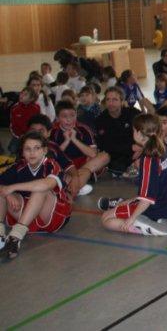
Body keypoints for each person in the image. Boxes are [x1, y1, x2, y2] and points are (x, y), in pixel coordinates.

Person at [99, 114, 167, 237]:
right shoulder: (165, 149)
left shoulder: (149, 159)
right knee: (125, 203)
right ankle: (159, 218)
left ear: (138, 133)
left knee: (106, 219)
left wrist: (132, 219)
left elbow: (147, 199)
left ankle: (150, 226)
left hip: (157, 208)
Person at [0, 131, 72, 260]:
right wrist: (8, 193)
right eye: (27, 149)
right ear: (22, 152)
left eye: (36, 148)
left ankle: (15, 237)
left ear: (44, 150)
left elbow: (46, 185)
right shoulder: (18, 167)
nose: (32, 153)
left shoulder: (51, 165)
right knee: (2, 191)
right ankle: (0, 235)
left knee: (41, 189)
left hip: (52, 216)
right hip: (27, 218)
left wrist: (12, 187)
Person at [50, 100, 107, 197]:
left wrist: (74, 139)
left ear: (76, 115)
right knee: (55, 166)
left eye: (72, 116)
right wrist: (66, 141)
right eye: (64, 116)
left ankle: (73, 183)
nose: (69, 120)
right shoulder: (53, 132)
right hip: (65, 166)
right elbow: (53, 156)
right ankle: (77, 186)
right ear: (58, 118)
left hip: (83, 164)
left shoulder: (83, 129)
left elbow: (93, 154)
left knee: (105, 156)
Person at [95, 86, 140, 177]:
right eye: (108, 99)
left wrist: (141, 148)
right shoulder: (100, 120)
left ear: (122, 101)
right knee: (116, 166)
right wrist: (131, 148)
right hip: (118, 155)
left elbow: (147, 131)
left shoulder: (133, 113)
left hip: (138, 150)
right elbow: (104, 145)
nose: (110, 103)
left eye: (115, 100)